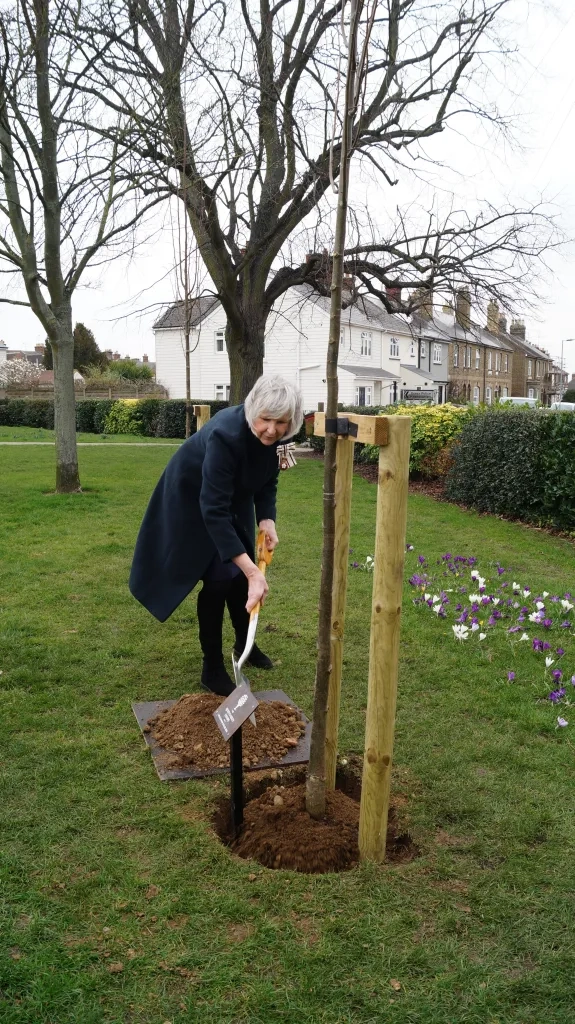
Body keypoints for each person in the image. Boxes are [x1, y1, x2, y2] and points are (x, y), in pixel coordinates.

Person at [129, 375, 304, 696]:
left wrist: (267, 520)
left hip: (229, 497)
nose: (272, 429)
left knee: (237, 577)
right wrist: (253, 571)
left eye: (281, 422)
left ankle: (243, 645)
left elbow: (267, 480)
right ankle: (212, 666)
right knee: (223, 576)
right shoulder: (226, 436)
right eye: (265, 419)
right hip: (193, 500)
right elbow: (212, 509)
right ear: (253, 410)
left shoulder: (279, 436)